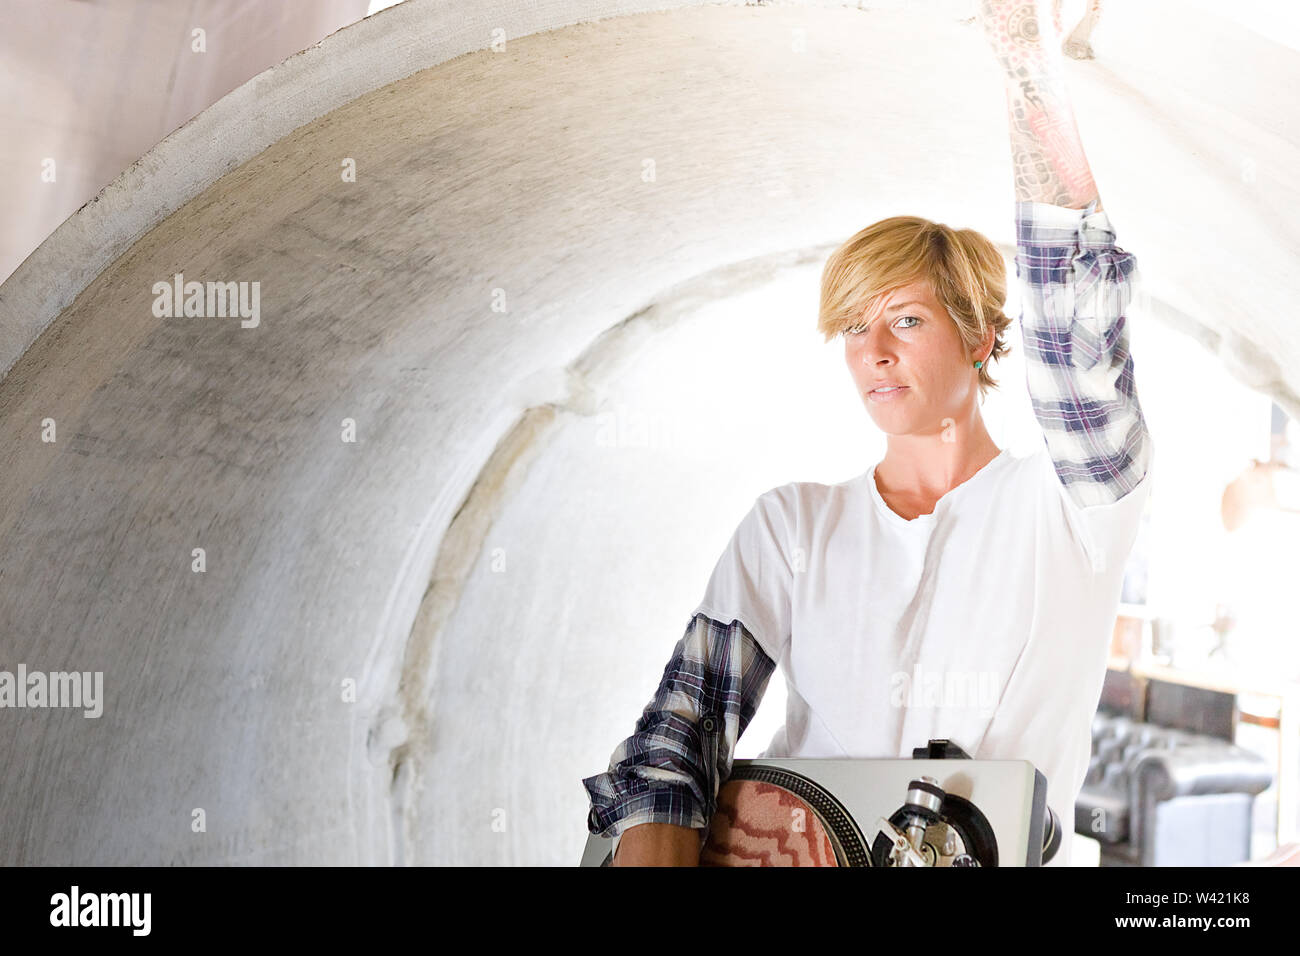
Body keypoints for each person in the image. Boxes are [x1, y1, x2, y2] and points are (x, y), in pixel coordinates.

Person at [581, 0, 1155, 866]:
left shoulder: (1073, 508)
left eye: (906, 321)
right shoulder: (791, 526)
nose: (874, 354)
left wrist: (1024, 58)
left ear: (978, 336)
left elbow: (1081, 334)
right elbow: (685, 720)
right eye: (853, 327)